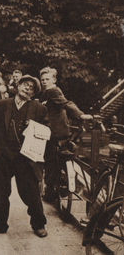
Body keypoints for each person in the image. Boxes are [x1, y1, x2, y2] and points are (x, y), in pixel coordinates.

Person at [0, 74, 50, 238]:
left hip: (25, 158)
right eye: (25, 84)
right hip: (2, 155)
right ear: (18, 85)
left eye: (32, 87)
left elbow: (47, 132)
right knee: (1, 192)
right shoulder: (1, 105)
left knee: (31, 192)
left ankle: (38, 224)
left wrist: (35, 127)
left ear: (34, 93)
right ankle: (0, 224)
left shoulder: (39, 109)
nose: (28, 88)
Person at [39, 67, 92, 202]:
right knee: (53, 160)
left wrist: (80, 115)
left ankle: (50, 192)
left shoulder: (53, 91)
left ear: (54, 80)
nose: (44, 82)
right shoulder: (46, 92)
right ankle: (55, 186)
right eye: (42, 79)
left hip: (55, 133)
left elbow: (67, 103)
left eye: (47, 79)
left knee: (50, 161)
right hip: (56, 132)